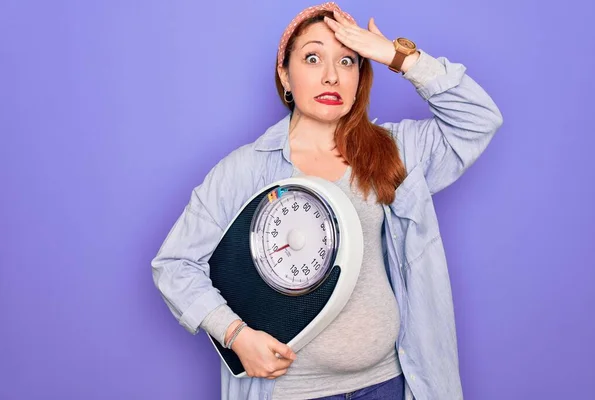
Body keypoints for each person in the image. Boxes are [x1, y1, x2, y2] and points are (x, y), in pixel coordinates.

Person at [151, 2, 503, 399]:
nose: (331, 76)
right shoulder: (244, 170)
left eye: (349, 61)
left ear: (361, 75)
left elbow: (480, 120)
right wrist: (235, 335)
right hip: (289, 392)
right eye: (313, 58)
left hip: (388, 384)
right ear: (285, 74)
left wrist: (396, 55)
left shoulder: (393, 151)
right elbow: (174, 265)